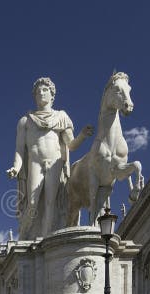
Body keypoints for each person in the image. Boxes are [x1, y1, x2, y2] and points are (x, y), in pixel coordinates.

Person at [7, 77, 93, 239]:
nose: (41, 92)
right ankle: (24, 236)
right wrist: (16, 167)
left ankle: (46, 240)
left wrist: (82, 135)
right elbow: (19, 150)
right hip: (35, 163)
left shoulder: (61, 117)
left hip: (55, 163)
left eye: (45, 90)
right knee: (31, 204)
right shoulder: (25, 121)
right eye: (38, 91)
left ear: (52, 95)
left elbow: (71, 145)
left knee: (50, 204)